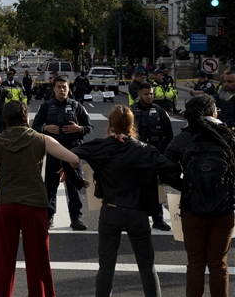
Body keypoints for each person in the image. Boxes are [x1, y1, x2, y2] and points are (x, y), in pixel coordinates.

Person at [0, 101, 81, 297]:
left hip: (6, 205)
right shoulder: (42, 139)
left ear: (5, 119)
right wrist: (67, 169)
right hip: (34, 204)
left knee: (4, 262)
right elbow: (74, 159)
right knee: (38, 261)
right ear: (26, 117)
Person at [64, 106, 181, 297]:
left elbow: (66, 157)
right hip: (138, 211)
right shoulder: (147, 150)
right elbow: (172, 169)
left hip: (111, 209)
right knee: (147, 267)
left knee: (106, 266)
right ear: (132, 124)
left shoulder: (100, 146)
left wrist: (77, 181)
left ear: (111, 124)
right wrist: (157, 175)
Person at [164, 94, 235, 297]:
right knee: (218, 264)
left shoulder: (184, 138)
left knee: (195, 264)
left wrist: (185, 185)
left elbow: (165, 166)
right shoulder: (227, 136)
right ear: (214, 112)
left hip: (192, 208)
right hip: (224, 209)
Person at [31, 74, 91, 231]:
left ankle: (76, 219)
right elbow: (35, 126)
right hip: (54, 152)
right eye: (59, 87)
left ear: (69, 88)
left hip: (73, 152)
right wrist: (46, 128)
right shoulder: (46, 107)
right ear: (54, 89)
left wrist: (79, 129)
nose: (62, 90)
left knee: (74, 187)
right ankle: (49, 217)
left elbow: (89, 127)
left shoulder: (77, 106)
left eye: (65, 87)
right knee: (50, 186)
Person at [132, 82, 174, 231]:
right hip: (135, 157)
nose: (149, 96)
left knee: (156, 189)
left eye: (151, 94)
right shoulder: (131, 111)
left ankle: (158, 219)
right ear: (139, 94)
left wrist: (168, 158)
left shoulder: (160, 112)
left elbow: (169, 137)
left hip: (156, 156)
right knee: (135, 189)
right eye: (146, 94)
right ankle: (135, 219)